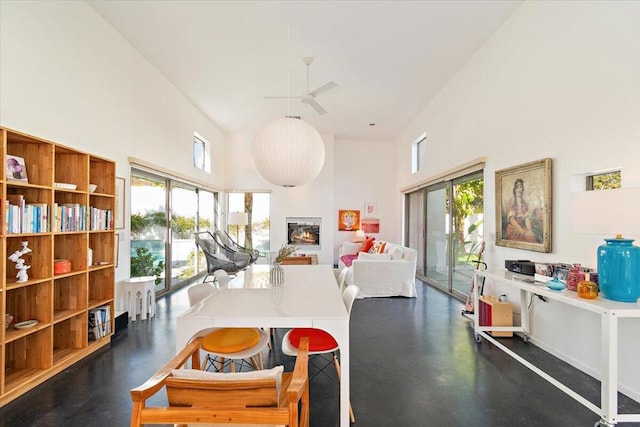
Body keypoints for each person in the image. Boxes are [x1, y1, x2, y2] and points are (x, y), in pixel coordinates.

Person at [505, 178, 538, 243]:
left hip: (522, 227)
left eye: (521, 187)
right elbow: (511, 220)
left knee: (532, 239)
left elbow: (527, 219)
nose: (520, 189)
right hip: (513, 228)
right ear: (515, 189)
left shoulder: (524, 203)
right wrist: (523, 232)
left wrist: (529, 230)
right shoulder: (512, 201)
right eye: (518, 187)